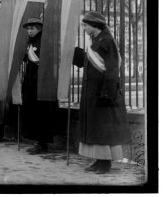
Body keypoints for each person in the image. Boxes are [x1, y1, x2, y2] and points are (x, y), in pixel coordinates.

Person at [73, 11, 130, 174]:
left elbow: (112, 69)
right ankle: (98, 161)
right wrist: (74, 54)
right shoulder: (96, 41)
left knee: (103, 128)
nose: (83, 28)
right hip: (92, 91)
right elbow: (89, 63)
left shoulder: (106, 41)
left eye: (85, 25)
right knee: (96, 128)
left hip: (103, 91)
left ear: (94, 25)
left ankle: (105, 164)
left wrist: (107, 93)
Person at [21, 18, 60, 154]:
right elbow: (27, 59)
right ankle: (38, 141)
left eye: (32, 28)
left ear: (39, 28)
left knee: (41, 113)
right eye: (28, 28)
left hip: (41, 82)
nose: (30, 31)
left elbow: (46, 63)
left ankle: (42, 143)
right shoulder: (31, 42)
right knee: (34, 112)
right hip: (31, 81)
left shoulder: (44, 41)